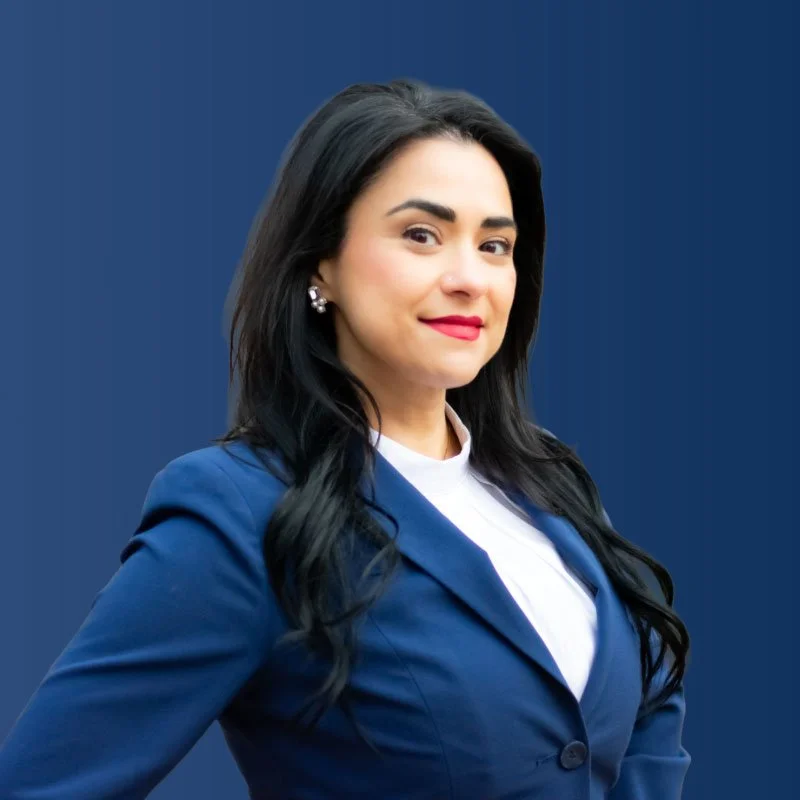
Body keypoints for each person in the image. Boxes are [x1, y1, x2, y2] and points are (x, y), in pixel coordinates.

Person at [0, 78, 691, 799]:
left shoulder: (549, 478)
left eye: (495, 245)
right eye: (421, 235)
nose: (469, 279)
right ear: (320, 263)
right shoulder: (241, 512)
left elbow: (647, 700)